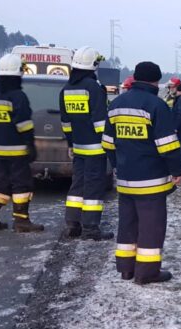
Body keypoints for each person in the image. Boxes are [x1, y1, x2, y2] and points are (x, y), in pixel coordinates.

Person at [102, 61, 181, 284]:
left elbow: (108, 143)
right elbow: (167, 145)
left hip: (126, 179)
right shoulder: (156, 106)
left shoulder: (116, 104)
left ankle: (126, 269)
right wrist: (177, 171)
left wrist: (118, 164)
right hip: (152, 180)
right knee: (151, 226)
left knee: (127, 224)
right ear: (155, 81)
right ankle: (146, 273)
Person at [0, 53, 44, 233]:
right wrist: (30, 144)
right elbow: (24, 124)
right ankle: (22, 221)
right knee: (22, 185)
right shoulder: (18, 96)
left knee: (0, 184)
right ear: (17, 74)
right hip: (17, 150)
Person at [59, 46, 113, 241]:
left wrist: (71, 144)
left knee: (77, 185)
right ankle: (90, 228)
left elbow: (65, 123)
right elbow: (100, 123)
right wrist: (110, 144)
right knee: (93, 187)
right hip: (96, 148)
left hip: (78, 147)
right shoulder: (94, 88)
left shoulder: (66, 89)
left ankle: (72, 224)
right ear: (93, 66)